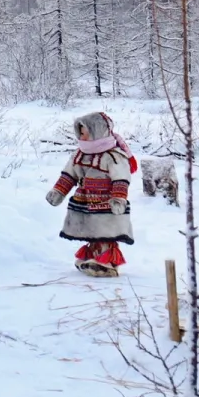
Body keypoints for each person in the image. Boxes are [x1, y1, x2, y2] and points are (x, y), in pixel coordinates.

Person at [45, 110, 136, 277]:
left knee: (105, 232)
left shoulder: (114, 156)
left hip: (106, 201)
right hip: (84, 199)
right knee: (91, 230)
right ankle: (93, 256)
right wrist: (59, 191)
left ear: (98, 131)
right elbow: (69, 174)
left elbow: (121, 177)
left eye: (85, 132)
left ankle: (107, 262)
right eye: (80, 132)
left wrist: (119, 197)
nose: (82, 136)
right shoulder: (79, 154)